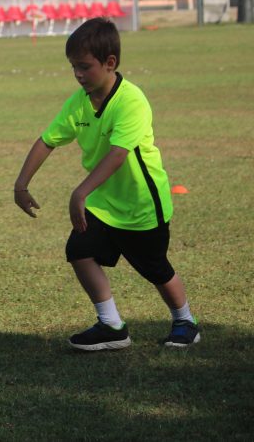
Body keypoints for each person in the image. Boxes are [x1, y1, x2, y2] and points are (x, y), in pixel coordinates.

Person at [13, 17, 199, 350]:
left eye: (84, 66)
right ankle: (112, 325)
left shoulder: (131, 100)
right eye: (73, 67)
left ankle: (185, 321)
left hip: (141, 203)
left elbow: (117, 154)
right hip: (103, 203)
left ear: (110, 63)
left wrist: (80, 191)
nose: (78, 74)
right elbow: (47, 140)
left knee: (155, 268)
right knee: (79, 251)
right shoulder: (78, 102)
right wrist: (21, 184)